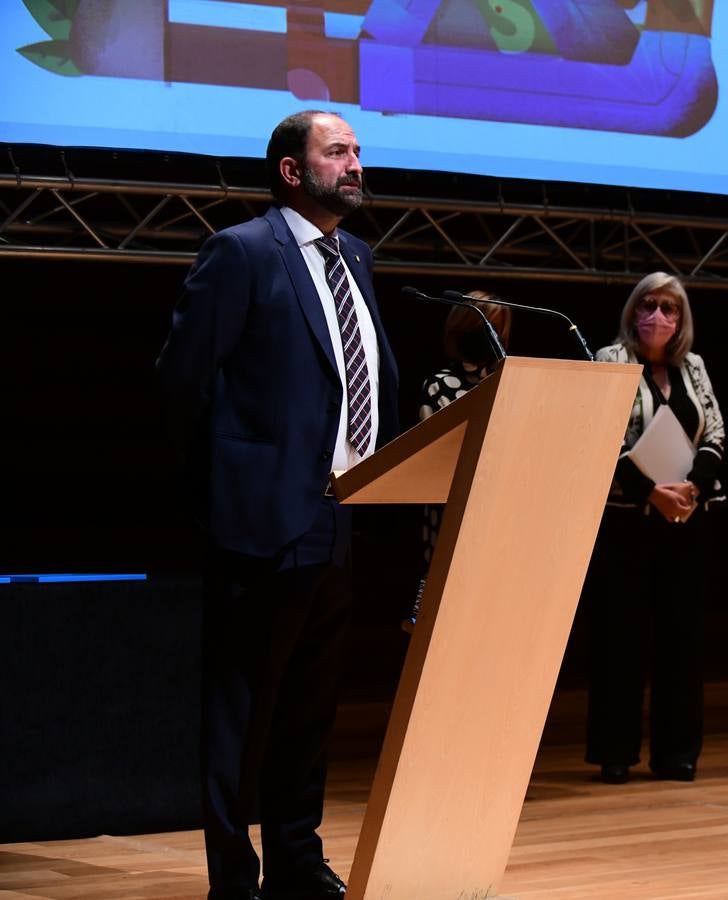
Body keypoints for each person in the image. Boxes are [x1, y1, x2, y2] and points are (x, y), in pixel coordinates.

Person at [157, 110, 399, 900]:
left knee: (309, 709)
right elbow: (182, 382)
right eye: (338, 152)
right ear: (293, 171)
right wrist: (225, 497)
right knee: (243, 713)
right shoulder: (242, 252)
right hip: (259, 523)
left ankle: (297, 859)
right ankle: (234, 879)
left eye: (358, 152)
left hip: (339, 515)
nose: (355, 164)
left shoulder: (356, 256)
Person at [584, 272, 725, 784]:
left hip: (686, 517)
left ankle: (677, 753)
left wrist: (692, 488)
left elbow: (715, 433)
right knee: (620, 637)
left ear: (681, 318)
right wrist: (650, 492)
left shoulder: (694, 366)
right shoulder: (610, 360)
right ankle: (615, 752)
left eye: (668, 307)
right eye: (648, 305)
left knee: (682, 638)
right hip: (627, 520)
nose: (657, 316)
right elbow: (601, 435)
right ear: (633, 311)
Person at [409, 293, 512, 624]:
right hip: (452, 512)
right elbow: (433, 460)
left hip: (503, 515)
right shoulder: (439, 385)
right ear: (460, 328)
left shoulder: (511, 383)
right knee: (444, 615)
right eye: (480, 325)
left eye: (495, 327)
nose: (489, 334)